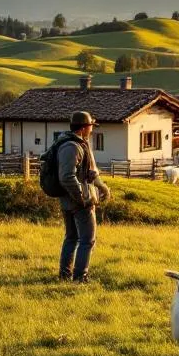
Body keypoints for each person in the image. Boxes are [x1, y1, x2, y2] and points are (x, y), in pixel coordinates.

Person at [56, 111, 110, 283]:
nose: (92, 129)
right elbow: (67, 176)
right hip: (78, 201)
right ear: (84, 127)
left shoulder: (77, 144)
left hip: (67, 200)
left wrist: (101, 186)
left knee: (71, 237)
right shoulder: (72, 147)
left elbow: (88, 171)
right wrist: (81, 197)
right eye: (91, 126)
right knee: (87, 240)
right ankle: (80, 277)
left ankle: (65, 275)